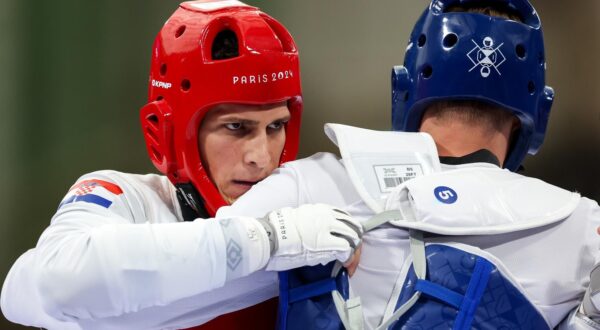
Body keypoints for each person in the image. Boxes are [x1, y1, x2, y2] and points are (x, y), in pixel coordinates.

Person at [219, 0, 600, 328]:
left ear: (404, 89)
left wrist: (269, 238)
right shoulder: (582, 229)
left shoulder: (311, 185)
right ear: (538, 115)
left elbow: (181, 281)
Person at [0, 1, 362, 329]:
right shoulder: (126, 199)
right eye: (236, 127)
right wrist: (268, 241)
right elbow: (52, 284)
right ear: (169, 133)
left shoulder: (313, 210)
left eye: (276, 126)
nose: (261, 156)